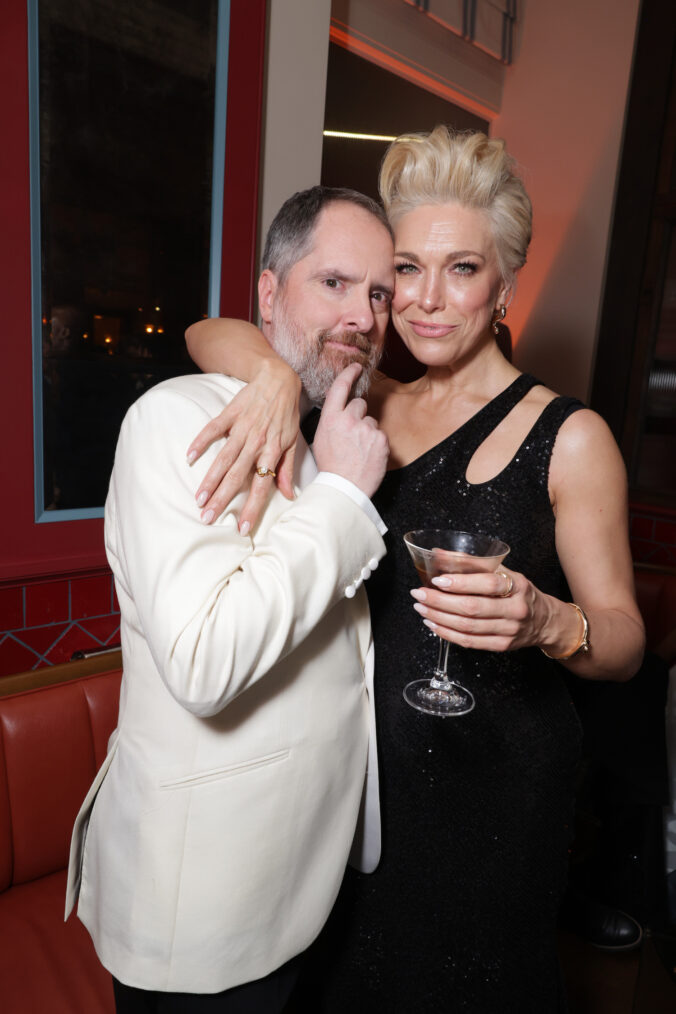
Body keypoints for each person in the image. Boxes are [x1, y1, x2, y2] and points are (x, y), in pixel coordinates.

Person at [183, 127, 646, 1012]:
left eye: (463, 269)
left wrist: (548, 622)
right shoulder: (367, 401)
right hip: (353, 797)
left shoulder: (571, 438)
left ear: (506, 281)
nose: (428, 300)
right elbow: (212, 329)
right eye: (406, 268)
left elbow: (624, 641)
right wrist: (275, 382)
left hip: (497, 801)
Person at [65, 186, 396, 1013]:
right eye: (335, 283)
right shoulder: (175, 420)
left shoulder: (336, 435)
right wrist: (344, 504)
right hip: (204, 917)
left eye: (379, 293)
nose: (363, 314)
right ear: (268, 294)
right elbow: (204, 664)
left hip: (306, 889)